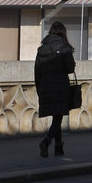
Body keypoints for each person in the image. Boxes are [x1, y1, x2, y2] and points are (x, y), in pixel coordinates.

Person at [34, 21, 76, 158]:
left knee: (56, 116)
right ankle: (46, 141)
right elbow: (70, 68)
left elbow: (37, 70)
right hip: (60, 87)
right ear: (63, 33)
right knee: (58, 117)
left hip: (45, 86)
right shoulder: (65, 48)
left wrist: (39, 89)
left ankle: (58, 147)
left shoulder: (41, 49)